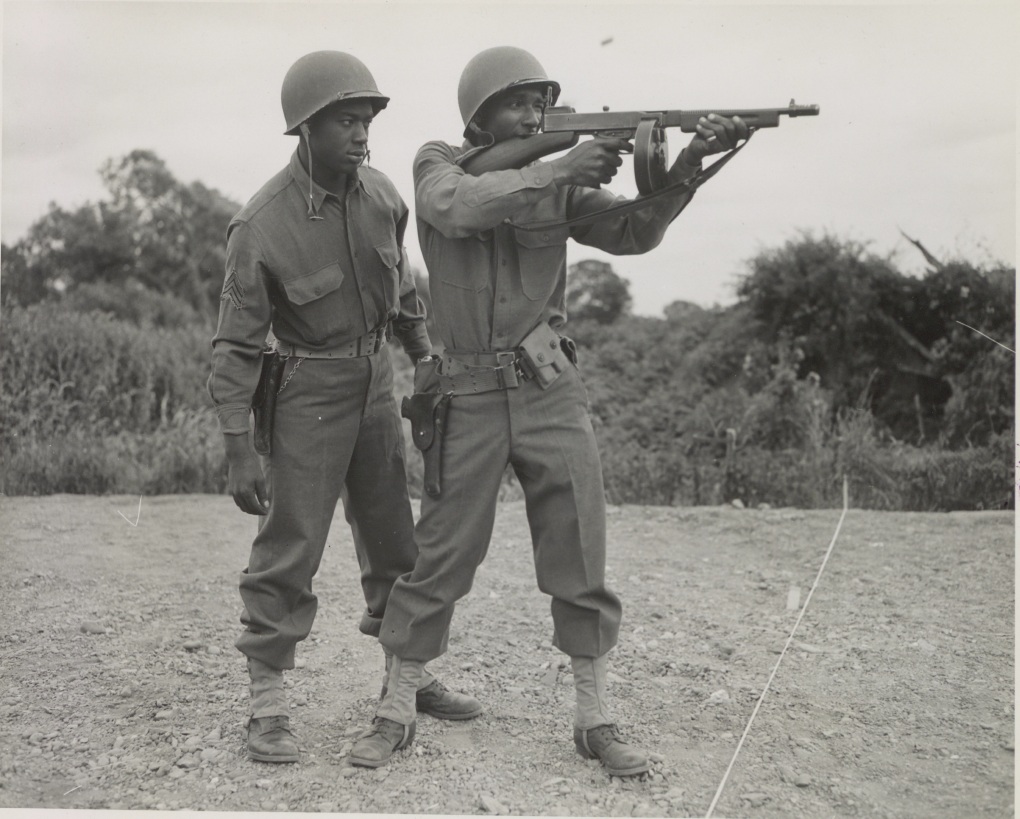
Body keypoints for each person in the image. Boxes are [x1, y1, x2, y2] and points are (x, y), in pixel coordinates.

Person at [349, 46, 750, 774]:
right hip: (466, 393)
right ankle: (396, 704)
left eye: (544, 103)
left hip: (549, 386)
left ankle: (593, 716)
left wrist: (690, 162)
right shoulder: (438, 160)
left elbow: (636, 230)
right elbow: (456, 206)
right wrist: (561, 166)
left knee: (578, 547)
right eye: (521, 103)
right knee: (440, 554)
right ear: (480, 114)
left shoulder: (556, 188)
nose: (536, 115)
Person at [208, 51, 481, 765]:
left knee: (397, 541)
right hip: (304, 393)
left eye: (367, 120)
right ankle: (267, 708)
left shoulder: (385, 197)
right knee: (288, 547)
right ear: (306, 128)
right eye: (346, 121)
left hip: (376, 385)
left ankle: (406, 682)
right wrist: (238, 443)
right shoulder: (260, 226)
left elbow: (406, 297)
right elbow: (235, 346)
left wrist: (423, 358)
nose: (362, 135)